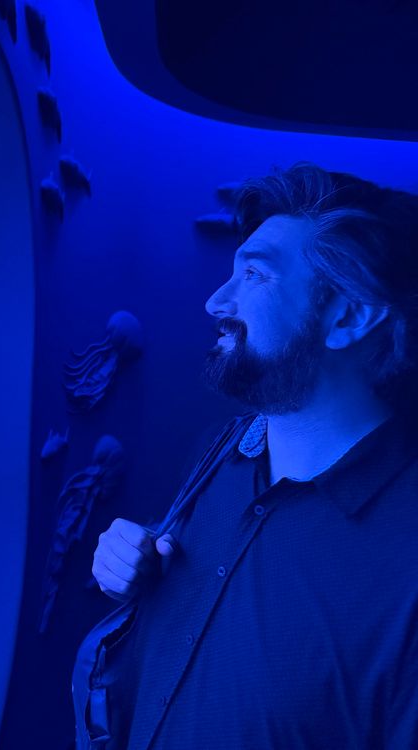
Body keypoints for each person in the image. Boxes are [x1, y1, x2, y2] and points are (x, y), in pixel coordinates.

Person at [75, 163, 418, 749]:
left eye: (255, 276)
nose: (214, 301)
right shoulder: (223, 451)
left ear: (349, 317)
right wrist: (136, 576)